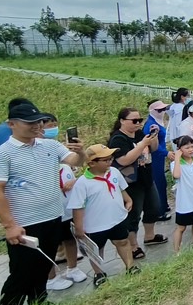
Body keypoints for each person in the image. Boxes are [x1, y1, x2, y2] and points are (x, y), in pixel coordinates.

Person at [0, 102, 86, 305]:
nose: (37, 126)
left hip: (53, 216)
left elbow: (74, 161)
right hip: (25, 224)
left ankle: (38, 303)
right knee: (21, 273)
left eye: (38, 121)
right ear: (12, 124)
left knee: (45, 264)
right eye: (30, 123)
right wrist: (10, 225)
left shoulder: (50, 146)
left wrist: (81, 152)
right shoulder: (2, 155)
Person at [70, 144, 138, 287]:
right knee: (96, 249)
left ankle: (130, 266)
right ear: (91, 163)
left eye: (110, 158)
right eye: (105, 160)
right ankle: (99, 273)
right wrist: (79, 228)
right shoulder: (83, 183)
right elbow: (78, 207)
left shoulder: (113, 172)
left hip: (117, 218)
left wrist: (128, 199)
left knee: (123, 242)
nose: (110, 162)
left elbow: (120, 188)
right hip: (95, 224)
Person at [109, 107, 166, 260]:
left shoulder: (139, 134)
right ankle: (133, 246)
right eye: (134, 121)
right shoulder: (118, 139)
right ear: (122, 121)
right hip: (130, 182)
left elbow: (152, 149)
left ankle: (149, 235)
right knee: (134, 213)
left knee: (154, 207)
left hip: (146, 177)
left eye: (139, 120)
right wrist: (142, 144)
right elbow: (124, 160)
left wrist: (153, 139)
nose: (138, 123)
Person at [43, 115, 85, 290]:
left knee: (70, 238)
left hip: (68, 206)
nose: (52, 128)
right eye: (48, 126)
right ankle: (51, 277)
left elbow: (78, 165)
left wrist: (80, 152)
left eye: (55, 125)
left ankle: (72, 268)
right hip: (49, 208)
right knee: (49, 244)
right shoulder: (37, 153)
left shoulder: (59, 148)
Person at [143, 100, 171, 221]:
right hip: (154, 157)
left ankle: (163, 206)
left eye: (164, 109)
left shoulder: (157, 122)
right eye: (159, 110)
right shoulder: (151, 125)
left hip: (160, 157)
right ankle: (159, 211)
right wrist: (166, 152)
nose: (162, 112)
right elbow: (150, 144)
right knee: (158, 183)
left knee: (162, 182)